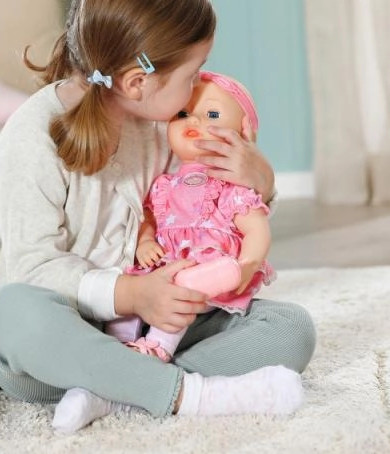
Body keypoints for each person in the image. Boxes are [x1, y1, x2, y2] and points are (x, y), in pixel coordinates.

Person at [0, 0, 316, 434]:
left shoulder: (162, 127)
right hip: (65, 339)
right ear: (137, 82)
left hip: (154, 330)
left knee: (291, 329)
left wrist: (260, 180)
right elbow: (33, 268)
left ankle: (114, 389)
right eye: (192, 75)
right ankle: (189, 394)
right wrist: (132, 294)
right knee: (8, 314)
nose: (199, 87)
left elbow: (210, 213)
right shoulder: (31, 137)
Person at [101, 70, 275, 363]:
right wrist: (145, 242)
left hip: (207, 274)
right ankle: (117, 345)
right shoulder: (163, 184)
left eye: (213, 115)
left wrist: (247, 265)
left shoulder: (231, 188)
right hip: (164, 269)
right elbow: (149, 218)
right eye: (182, 114)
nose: (194, 121)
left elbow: (257, 229)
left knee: (183, 291)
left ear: (243, 131)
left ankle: (158, 347)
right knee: (130, 284)